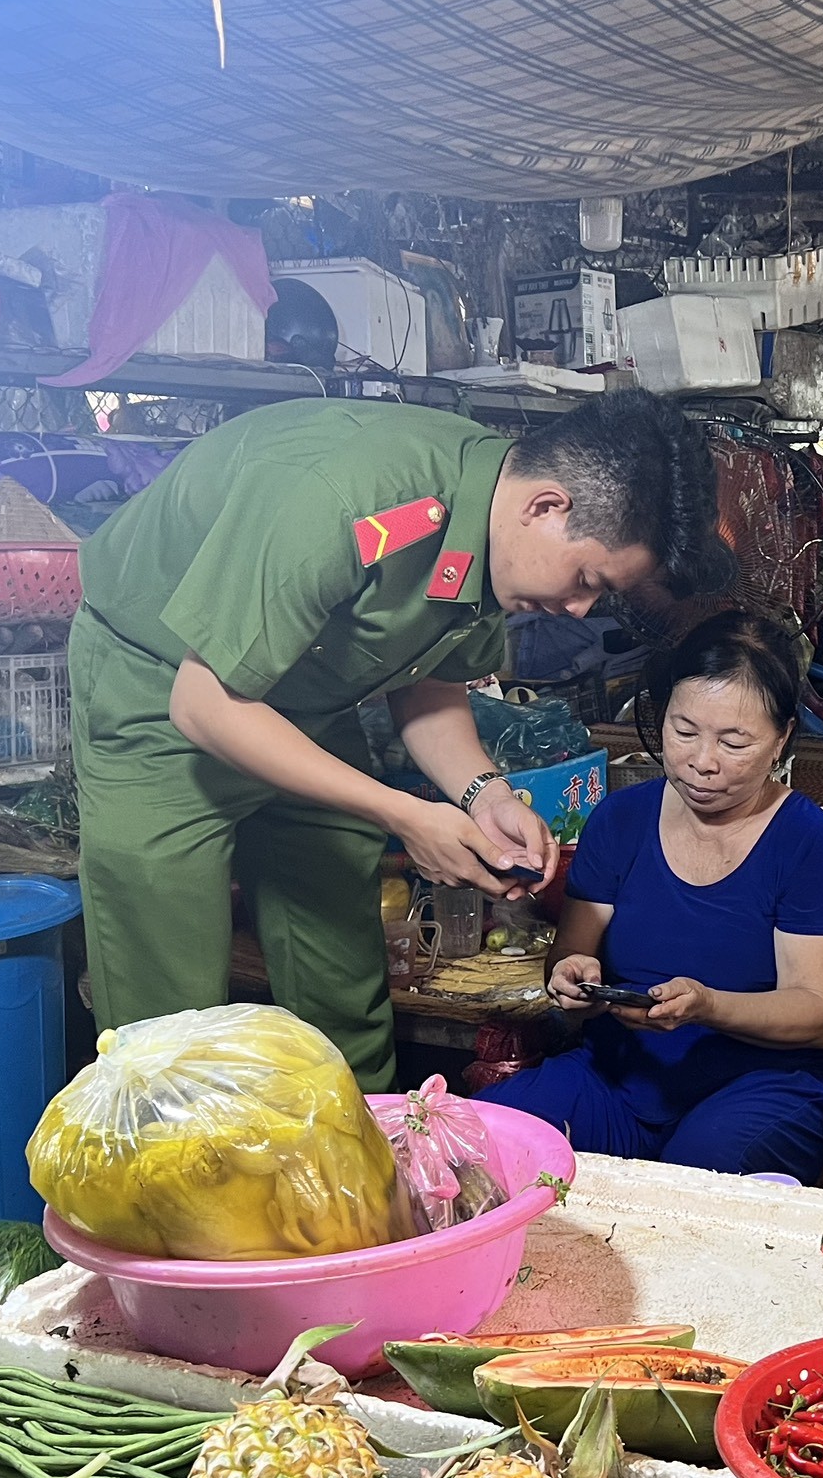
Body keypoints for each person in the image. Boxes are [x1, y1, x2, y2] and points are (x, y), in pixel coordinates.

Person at [70, 392, 731, 1090]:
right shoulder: (343, 495)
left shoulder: (494, 515)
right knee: (168, 1023)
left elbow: (428, 679)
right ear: (547, 506)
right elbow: (205, 704)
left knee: (341, 974)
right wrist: (405, 815)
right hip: (161, 688)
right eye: (586, 580)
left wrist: (485, 795)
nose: (578, 610)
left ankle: (371, 1156)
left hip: (305, 699)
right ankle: (171, 1179)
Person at [479, 612, 823, 1179]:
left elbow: (820, 1015)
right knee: (483, 1138)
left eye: (735, 742)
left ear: (782, 737)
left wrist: (708, 1007)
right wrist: (571, 976)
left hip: (762, 1088)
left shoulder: (809, 845)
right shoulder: (620, 821)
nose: (703, 761)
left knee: (701, 1181)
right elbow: (569, 954)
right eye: (684, 731)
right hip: (618, 1077)